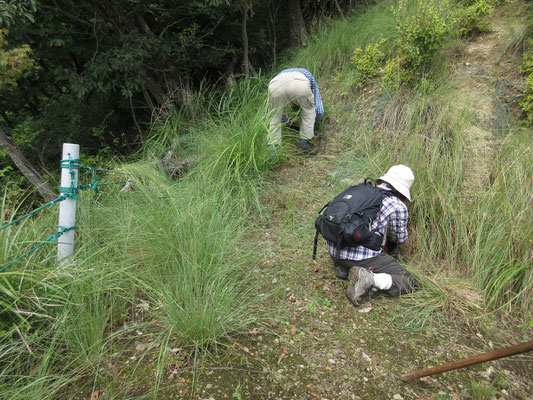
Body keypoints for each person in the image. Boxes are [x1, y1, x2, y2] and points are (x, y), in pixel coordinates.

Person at [325, 165, 419, 306]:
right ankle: (370, 279)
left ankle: (344, 267)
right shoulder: (398, 205)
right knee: (409, 282)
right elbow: (400, 239)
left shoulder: (362, 190)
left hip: (334, 249)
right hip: (359, 258)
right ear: (402, 190)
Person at [267, 68, 324, 154]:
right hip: (299, 83)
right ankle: (303, 145)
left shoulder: (284, 73)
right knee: (309, 110)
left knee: (275, 116)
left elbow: (278, 114)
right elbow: (319, 110)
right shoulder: (311, 79)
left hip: (275, 83)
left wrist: (290, 123)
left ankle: (273, 152)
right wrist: (314, 122)